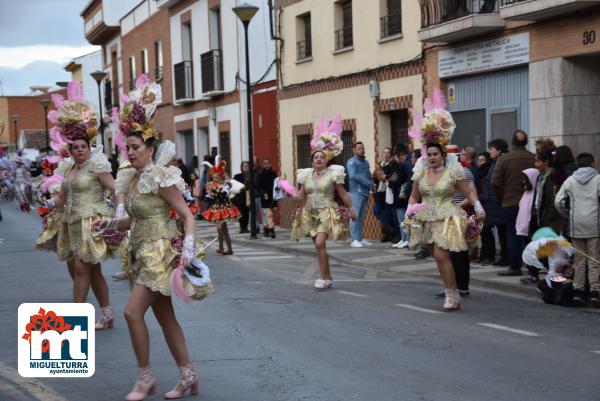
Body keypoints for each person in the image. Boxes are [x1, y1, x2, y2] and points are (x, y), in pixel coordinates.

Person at [97, 76, 206, 400]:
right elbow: (134, 218)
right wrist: (111, 226)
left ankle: (145, 377)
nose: (130, 153)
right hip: (139, 253)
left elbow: (187, 214)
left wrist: (187, 250)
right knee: (165, 316)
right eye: (127, 147)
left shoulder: (160, 177)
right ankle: (188, 375)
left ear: (150, 149)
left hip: (160, 253)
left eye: (135, 148)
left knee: (132, 312)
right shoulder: (131, 179)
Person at [44, 82, 118, 330]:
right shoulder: (68, 170)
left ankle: (75, 321)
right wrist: (46, 203)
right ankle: (107, 313)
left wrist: (118, 215)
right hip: (74, 223)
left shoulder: (97, 166)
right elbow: (61, 200)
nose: (79, 151)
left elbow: (115, 189)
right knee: (93, 271)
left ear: (89, 147)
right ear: (70, 150)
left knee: (80, 267)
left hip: (93, 222)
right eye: (75, 147)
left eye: (83, 146)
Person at [405, 91, 484, 310]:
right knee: (436, 256)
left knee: (441, 254)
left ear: (442, 155)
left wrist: (477, 205)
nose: (431, 158)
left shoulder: (452, 172)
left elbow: (469, 191)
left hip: (447, 216)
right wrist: (409, 209)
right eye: (428, 154)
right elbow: (414, 194)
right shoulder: (420, 173)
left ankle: (452, 293)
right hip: (427, 217)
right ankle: (452, 289)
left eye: (435, 155)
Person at [291, 114, 355, 290]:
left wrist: (351, 209)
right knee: (319, 247)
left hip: (326, 211)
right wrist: (289, 191)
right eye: (315, 157)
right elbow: (301, 197)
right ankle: (327, 276)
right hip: (310, 213)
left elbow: (342, 193)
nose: (318, 159)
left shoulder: (333, 174)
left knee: (320, 243)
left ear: (326, 160)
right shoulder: (306, 175)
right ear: (312, 161)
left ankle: (322, 276)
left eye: (321, 157)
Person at [555, 152, 600, 306]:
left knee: (580, 260)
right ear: (593, 163)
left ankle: (578, 292)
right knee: (595, 260)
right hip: (595, 225)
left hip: (576, 225)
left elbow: (558, 201)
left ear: (577, 164)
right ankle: (595, 292)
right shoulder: (598, 179)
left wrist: (568, 214)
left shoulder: (570, 180)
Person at [492, 130, 535, 276]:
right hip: (530, 202)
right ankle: (532, 267)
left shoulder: (504, 159)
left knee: (513, 234)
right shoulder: (533, 158)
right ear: (526, 142)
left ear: (512, 142)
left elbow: (495, 182)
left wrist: (502, 197)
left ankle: (515, 266)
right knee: (530, 235)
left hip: (510, 202)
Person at [202, 158, 241, 255]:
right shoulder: (211, 185)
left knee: (221, 228)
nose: (215, 179)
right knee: (222, 229)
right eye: (214, 177)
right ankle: (224, 248)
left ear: (221, 177)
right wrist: (208, 197)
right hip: (216, 208)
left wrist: (217, 193)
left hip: (225, 208)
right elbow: (208, 196)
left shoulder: (225, 184)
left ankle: (224, 248)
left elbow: (224, 193)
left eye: (217, 177)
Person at [481, 139, 509, 266]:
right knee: (501, 231)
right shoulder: (495, 162)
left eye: (492, 149)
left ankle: (506, 256)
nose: (489, 151)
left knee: (504, 232)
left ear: (499, 150)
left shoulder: (502, 162)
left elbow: (497, 183)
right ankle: (504, 256)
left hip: (500, 202)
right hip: (494, 203)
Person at [516, 168, 540, 284]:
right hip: (524, 227)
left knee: (533, 252)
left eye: (526, 179)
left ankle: (534, 274)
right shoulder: (526, 193)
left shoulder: (536, 194)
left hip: (531, 228)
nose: (524, 182)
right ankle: (531, 273)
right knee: (528, 251)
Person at [347, 142, 373, 248]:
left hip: (365, 192)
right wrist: (368, 183)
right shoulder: (351, 162)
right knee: (355, 216)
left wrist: (373, 184)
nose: (361, 150)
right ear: (354, 150)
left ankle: (360, 238)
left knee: (361, 217)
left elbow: (368, 175)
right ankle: (354, 239)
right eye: (359, 149)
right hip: (356, 192)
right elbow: (353, 175)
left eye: (362, 148)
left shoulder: (366, 162)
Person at [373, 147, 399, 243]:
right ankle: (390, 229)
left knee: (388, 214)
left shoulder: (392, 164)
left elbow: (395, 176)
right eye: (384, 152)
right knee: (376, 211)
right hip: (378, 192)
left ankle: (390, 234)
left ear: (390, 155)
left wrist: (385, 177)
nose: (386, 154)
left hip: (387, 192)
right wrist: (374, 181)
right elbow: (374, 176)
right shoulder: (379, 165)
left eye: (388, 153)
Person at [389, 144, 409, 248]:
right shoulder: (398, 166)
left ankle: (406, 239)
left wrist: (392, 182)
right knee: (400, 220)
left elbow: (396, 181)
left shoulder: (403, 166)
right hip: (397, 196)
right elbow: (391, 181)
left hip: (402, 197)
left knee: (403, 220)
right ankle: (403, 238)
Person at [257, 158, 278, 238]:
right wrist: (263, 193)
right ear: (263, 164)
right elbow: (258, 186)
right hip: (265, 197)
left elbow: (277, 184)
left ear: (270, 164)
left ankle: (265, 229)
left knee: (268, 214)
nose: (267, 165)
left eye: (268, 163)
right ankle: (271, 230)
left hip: (273, 196)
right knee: (268, 214)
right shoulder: (261, 174)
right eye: (265, 163)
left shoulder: (273, 173)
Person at [233, 161, 251, 233]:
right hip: (240, 197)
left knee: (246, 213)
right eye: (244, 166)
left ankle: (245, 227)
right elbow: (234, 185)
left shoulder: (251, 175)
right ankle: (241, 227)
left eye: (247, 166)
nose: (246, 167)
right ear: (242, 167)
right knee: (240, 213)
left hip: (248, 197)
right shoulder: (237, 176)